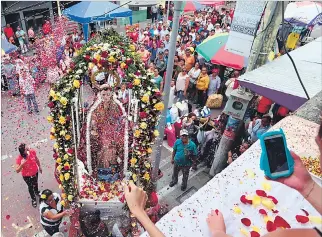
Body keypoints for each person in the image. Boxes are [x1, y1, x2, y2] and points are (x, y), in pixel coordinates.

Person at [16, 143, 42, 208]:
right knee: (30, 187)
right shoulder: (19, 159)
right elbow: (17, 170)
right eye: (26, 148)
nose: (28, 148)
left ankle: (36, 192)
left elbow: (36, 159)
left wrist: (39, 166)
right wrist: (21, 165)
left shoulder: (32, 152)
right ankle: (33, 199)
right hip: (26, 176)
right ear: (23, 151)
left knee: (35, 183)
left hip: (35, 172)